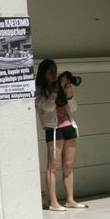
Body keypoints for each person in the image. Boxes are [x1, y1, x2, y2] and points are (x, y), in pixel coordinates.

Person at [35, 58, 86, 211]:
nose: (54, 73)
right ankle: (54, 202)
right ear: (43, 73)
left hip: (68, 126)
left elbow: (73, 108)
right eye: (50, 71)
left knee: (68, 165)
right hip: (54, 129)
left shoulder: (59, 87)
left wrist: (68, 93)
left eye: (55, 70)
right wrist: (55, 92)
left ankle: (70, 199)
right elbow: (47, 108)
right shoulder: (39, 90)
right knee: (53, 166)